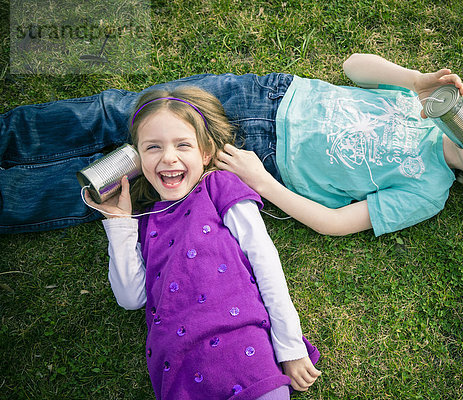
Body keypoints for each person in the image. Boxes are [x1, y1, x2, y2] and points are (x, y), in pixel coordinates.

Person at [0, 54, 463, 235]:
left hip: (256, 159)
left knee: (118, 178)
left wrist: (260, 183)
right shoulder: (420, 103)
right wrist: (417, 81)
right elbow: (354, 65)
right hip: (264, 98)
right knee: (117, 112)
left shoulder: (429, 192)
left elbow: (335, 221)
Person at [86, 87, 321, 400]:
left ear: (206, 153)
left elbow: (265, 260)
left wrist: (289, 346)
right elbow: (131, 297)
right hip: (178, 376)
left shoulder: (219, 186)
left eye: (183, 145)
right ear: (136, 160)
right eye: (153, 147)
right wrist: (118, 223)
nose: (168, 157)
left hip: (247, 361)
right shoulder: (143, 223)